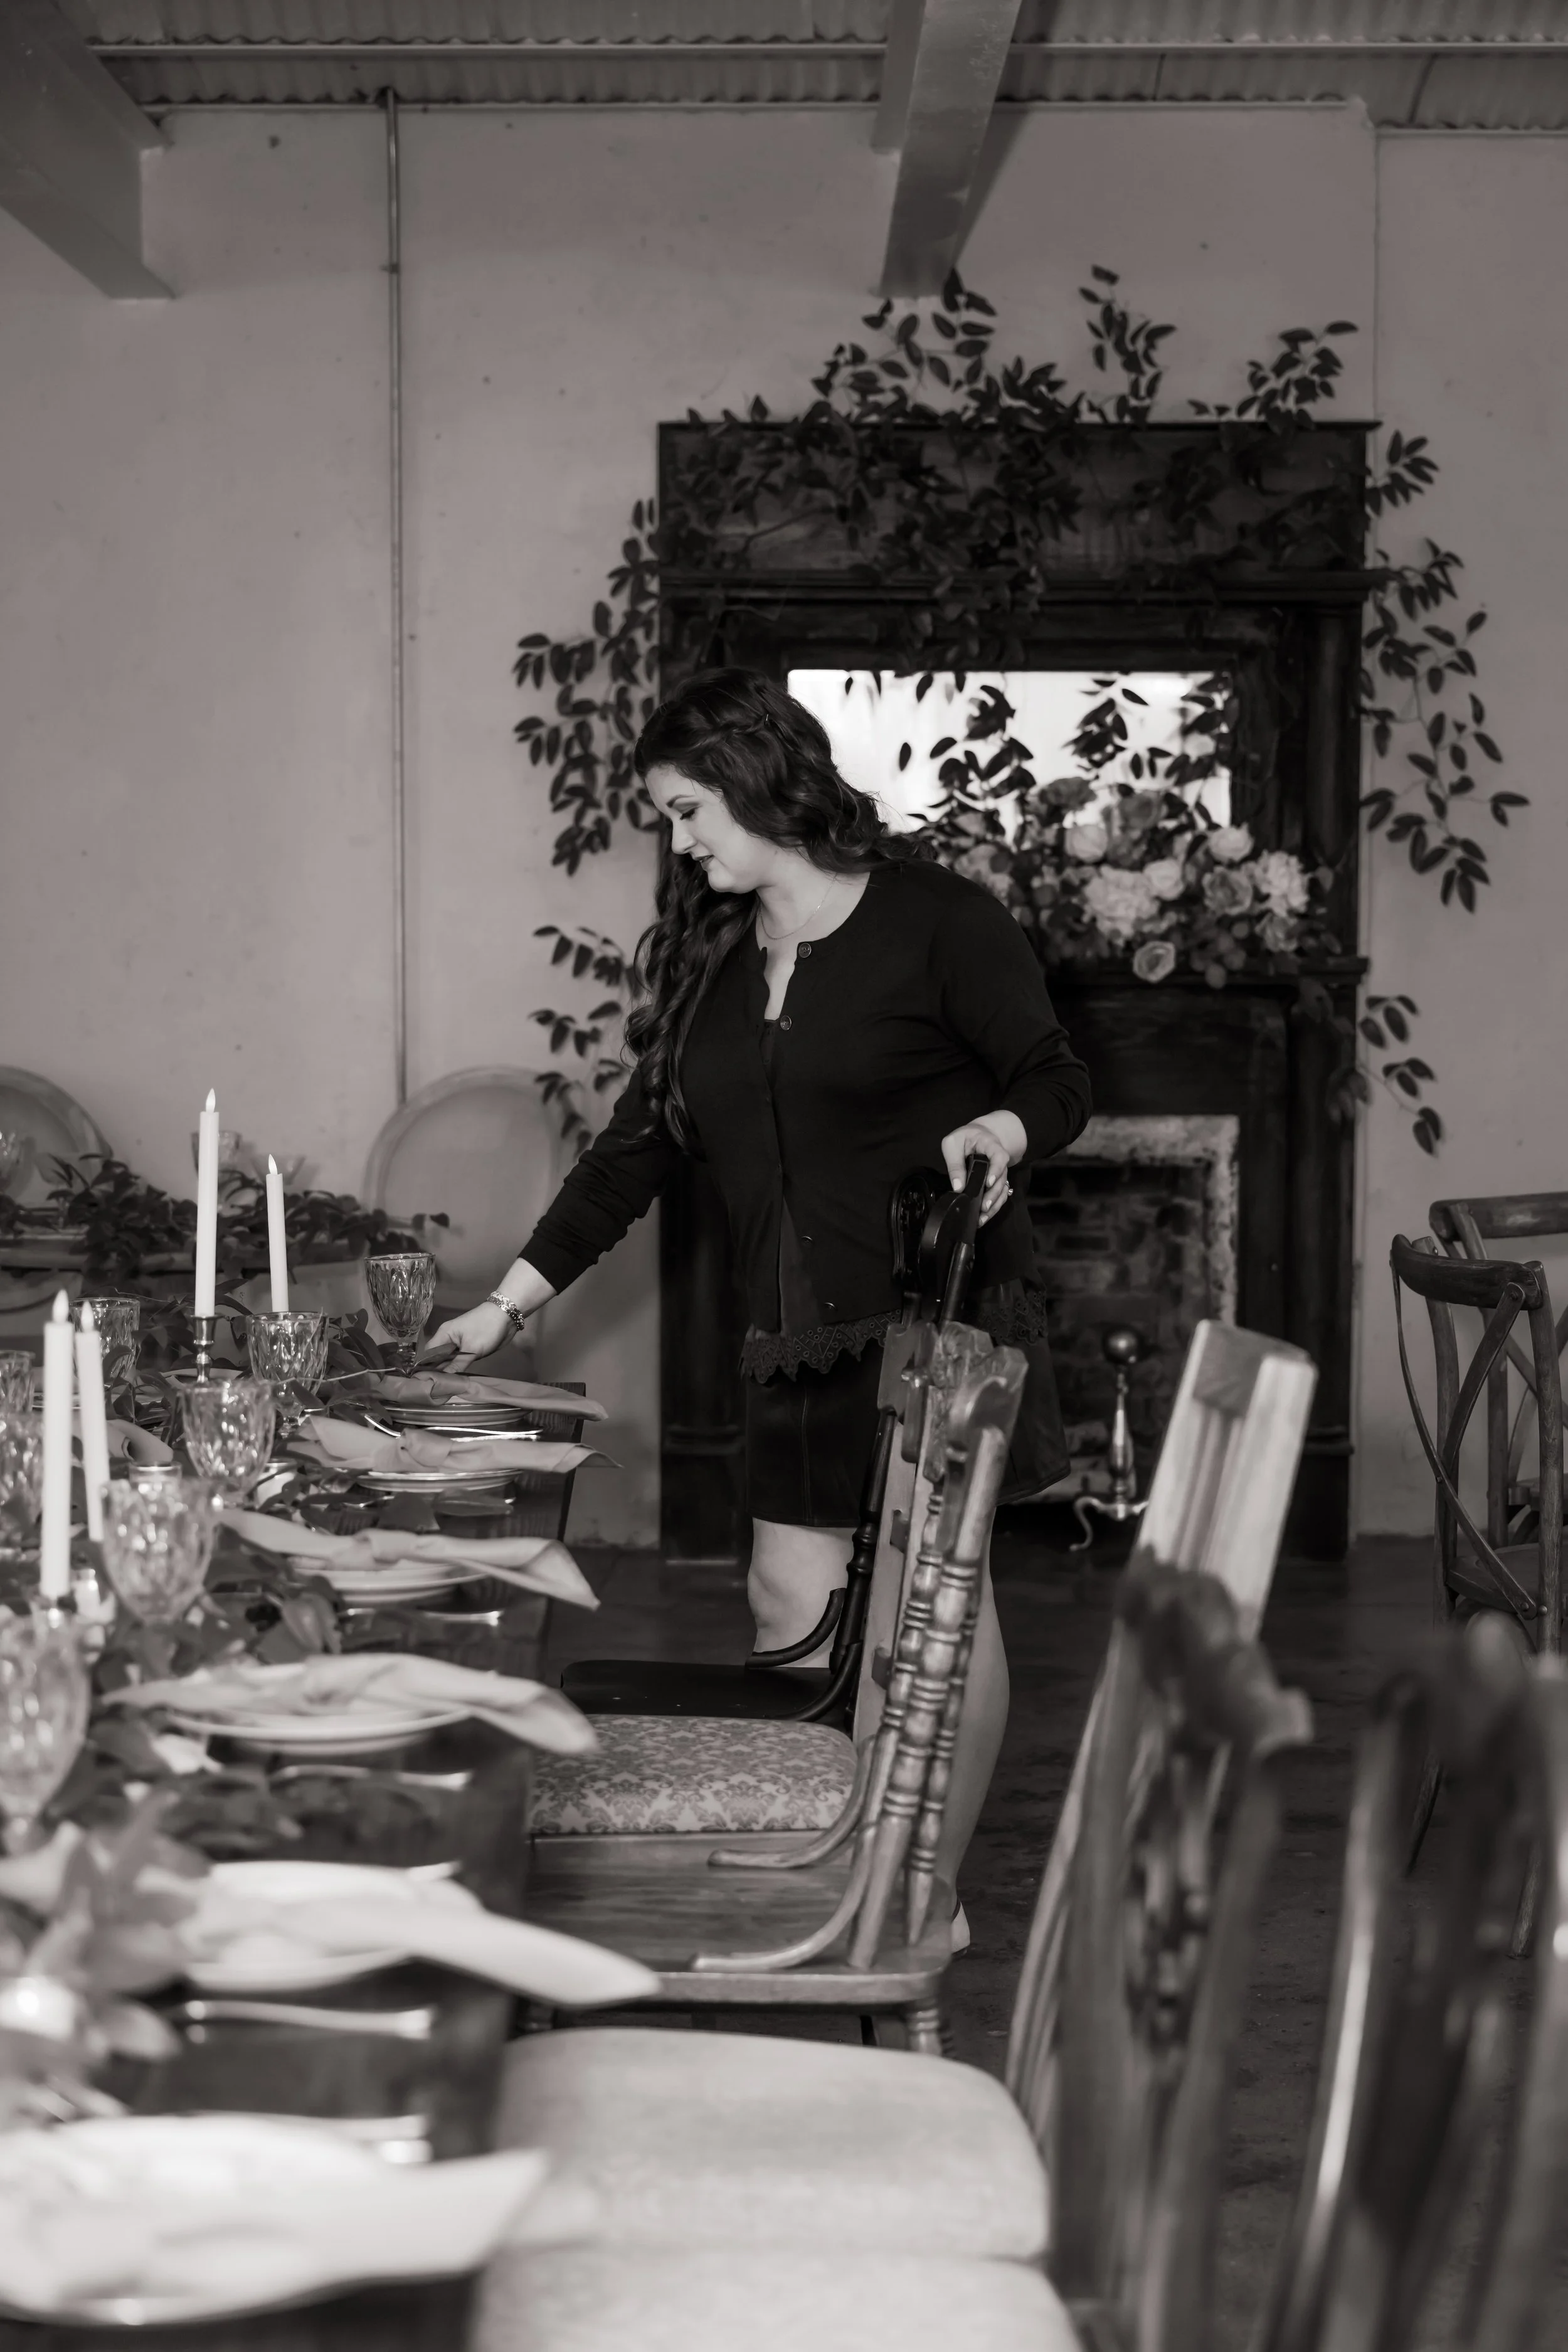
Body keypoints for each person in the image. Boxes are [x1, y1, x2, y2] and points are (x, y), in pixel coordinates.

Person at [429, 667, 1091, 1897]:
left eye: (687, 811)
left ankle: (918, 1891)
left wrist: (1000, 1132)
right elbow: (631, 1154)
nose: (680, 843)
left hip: (934, 1325)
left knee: (930, 1617)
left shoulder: (939, 921)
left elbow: (1055, 1077)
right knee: (786, 1593)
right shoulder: (718, 961)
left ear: (755, 778)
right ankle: (821, 1859)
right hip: (792, 1336)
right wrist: (503, 1304)